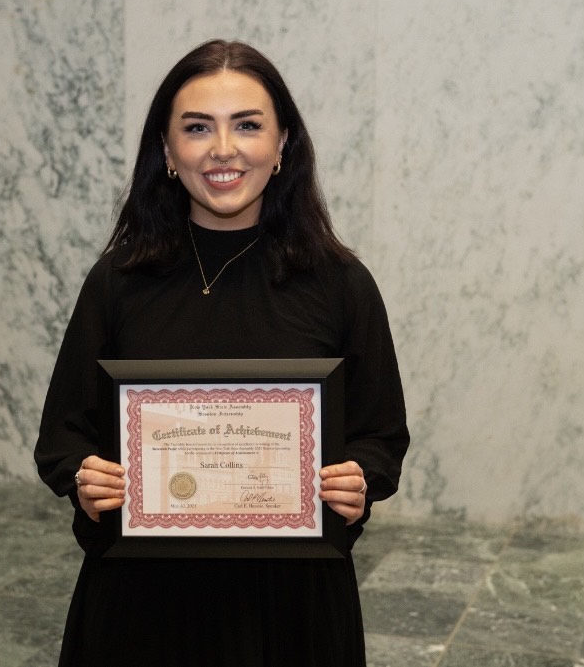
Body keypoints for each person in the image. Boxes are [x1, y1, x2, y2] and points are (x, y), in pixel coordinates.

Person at [34, 39, 408, 667]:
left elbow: (380, 436)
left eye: (248, 126)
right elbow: (64, 436)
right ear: (167, 149)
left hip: (293, 610)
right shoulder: (116, 281)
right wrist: (85, 476)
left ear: (283, 143)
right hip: (141, 605)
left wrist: (358, 479)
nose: (224, 149)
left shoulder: (341, 283)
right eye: (198, 127)